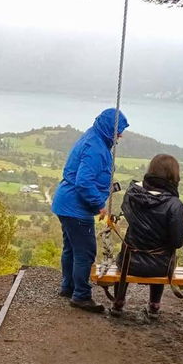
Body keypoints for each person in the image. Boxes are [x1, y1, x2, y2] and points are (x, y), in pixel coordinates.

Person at [51, 108, 129, 313]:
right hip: (76, 209)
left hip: (65, 204)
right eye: (118, 131)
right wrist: (99, 205)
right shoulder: (96, 148)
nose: (120, 135)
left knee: (71, 248)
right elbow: (84, 182)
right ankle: (81, 296)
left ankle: (68, 287)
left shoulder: (94, 138)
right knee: (85, 253)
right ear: (109, 129)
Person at [114, 154, 183, 317]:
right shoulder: (175, 205)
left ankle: (118, 303)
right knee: (164, 252)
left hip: (129, 262)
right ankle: (154, 305)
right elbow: (177, 242)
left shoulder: (132, 194)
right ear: (174, 176)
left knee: (126, 252)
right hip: (160, 267)